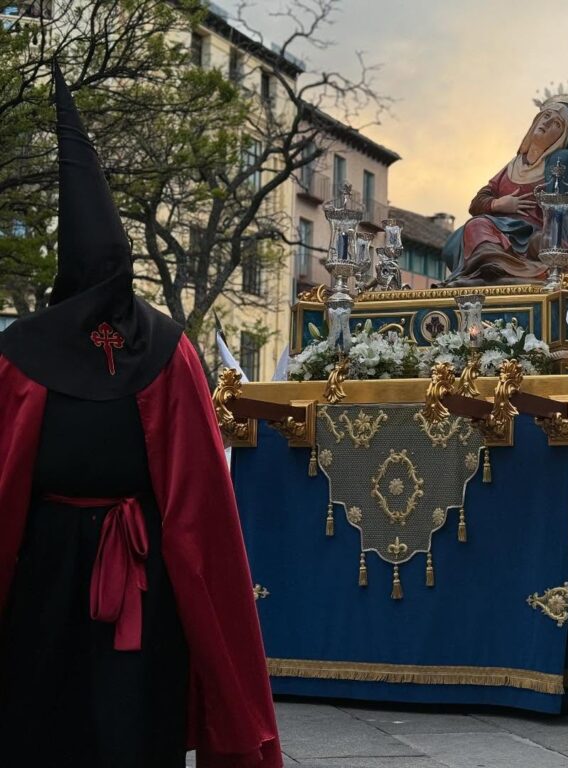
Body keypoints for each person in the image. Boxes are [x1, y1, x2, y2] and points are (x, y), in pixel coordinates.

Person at [0, 66, 281, 767]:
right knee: (66, 711)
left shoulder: (36, 351)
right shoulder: (155, 348)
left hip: (114, 571)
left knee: (107, 715)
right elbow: (200, 520)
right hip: (66, 571)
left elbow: (197, 509)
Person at [441, 94, 568, 286]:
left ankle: (504, 269)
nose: (547, 123)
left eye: (557, 124)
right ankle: (495, 267)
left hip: (537, 235)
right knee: (476, 225)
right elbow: (477, 203)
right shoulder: (515, 165)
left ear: (563, 137)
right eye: (546, 116)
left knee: (546, 245)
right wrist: (499, 203)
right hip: (504, 231)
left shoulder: (559, 164)